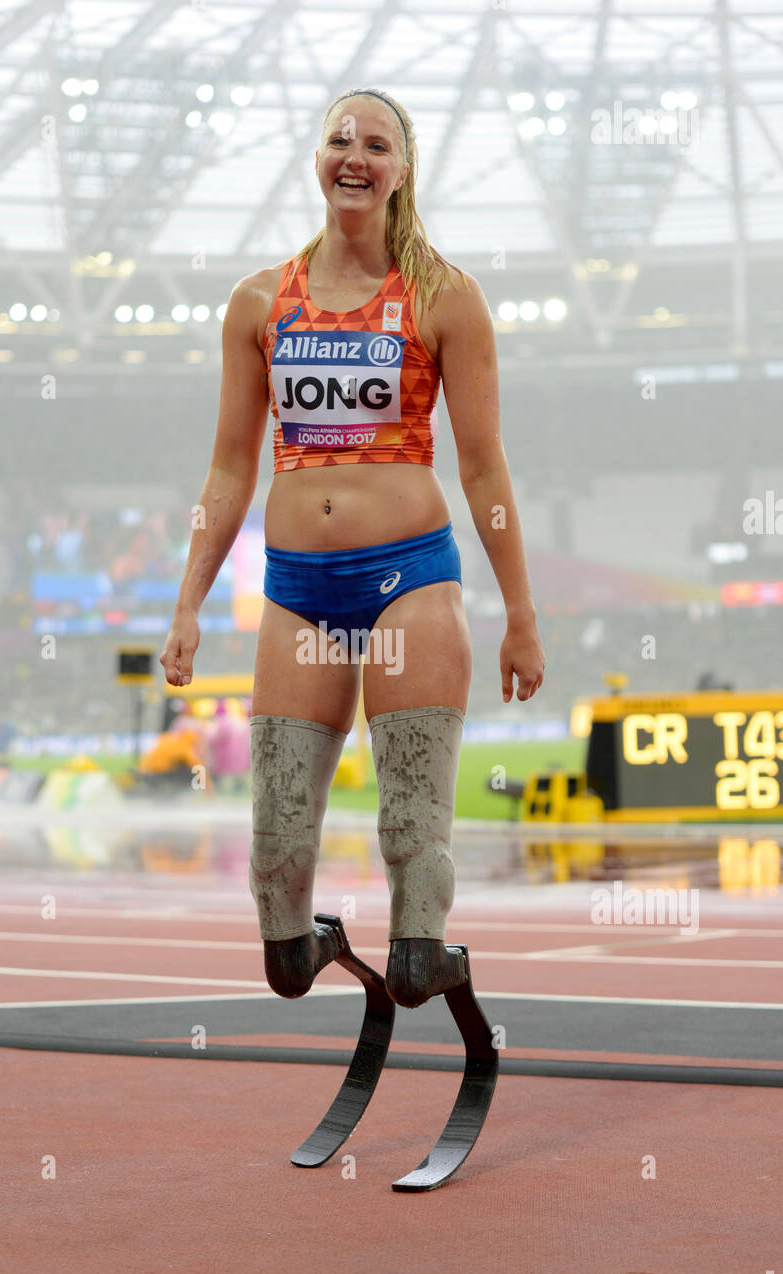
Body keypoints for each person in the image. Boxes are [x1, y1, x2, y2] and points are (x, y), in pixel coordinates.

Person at [161, 86, 545, 1008]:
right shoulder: (258, 302)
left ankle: (429, 954)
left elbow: (486, 472)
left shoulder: (445, 297)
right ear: (318, 155)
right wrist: (187, 603)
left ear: (401, 169)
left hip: (409, 577)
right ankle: (313, 940)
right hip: (298, 590)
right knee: (278, 898)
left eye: (376, 144)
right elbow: (226, 471)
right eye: (340, 139)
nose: (355, 156)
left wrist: (520, 617)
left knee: (411, 845)